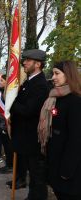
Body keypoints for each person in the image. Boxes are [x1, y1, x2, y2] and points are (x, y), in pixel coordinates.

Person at [38, 61, 81, 200]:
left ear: (69, 75)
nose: (53, 77)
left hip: (68, 167)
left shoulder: (75, 101)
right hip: (55, 160)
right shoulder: (55, 97)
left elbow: (76, 138)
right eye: (53, 73)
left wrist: (67, 170)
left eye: (57, 73)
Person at [9, 49, 49, 199]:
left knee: (36, 176)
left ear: (37, 64)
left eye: (28, 60)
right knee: (32, 175)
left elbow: (28, 110)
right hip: (24, 137)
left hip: (32, 140)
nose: (24, 63)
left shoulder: (40, 85)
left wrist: (11, 103)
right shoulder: (29, 81)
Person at [0, 74, 13, 174]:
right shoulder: (0, 92)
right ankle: (8, 163)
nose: (0, 82)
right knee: (5, 145)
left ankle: (10, 165)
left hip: (6, 123)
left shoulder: (8, 94)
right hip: (0, 122)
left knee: (8, 145)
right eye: (0, 80)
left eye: (2, 80)